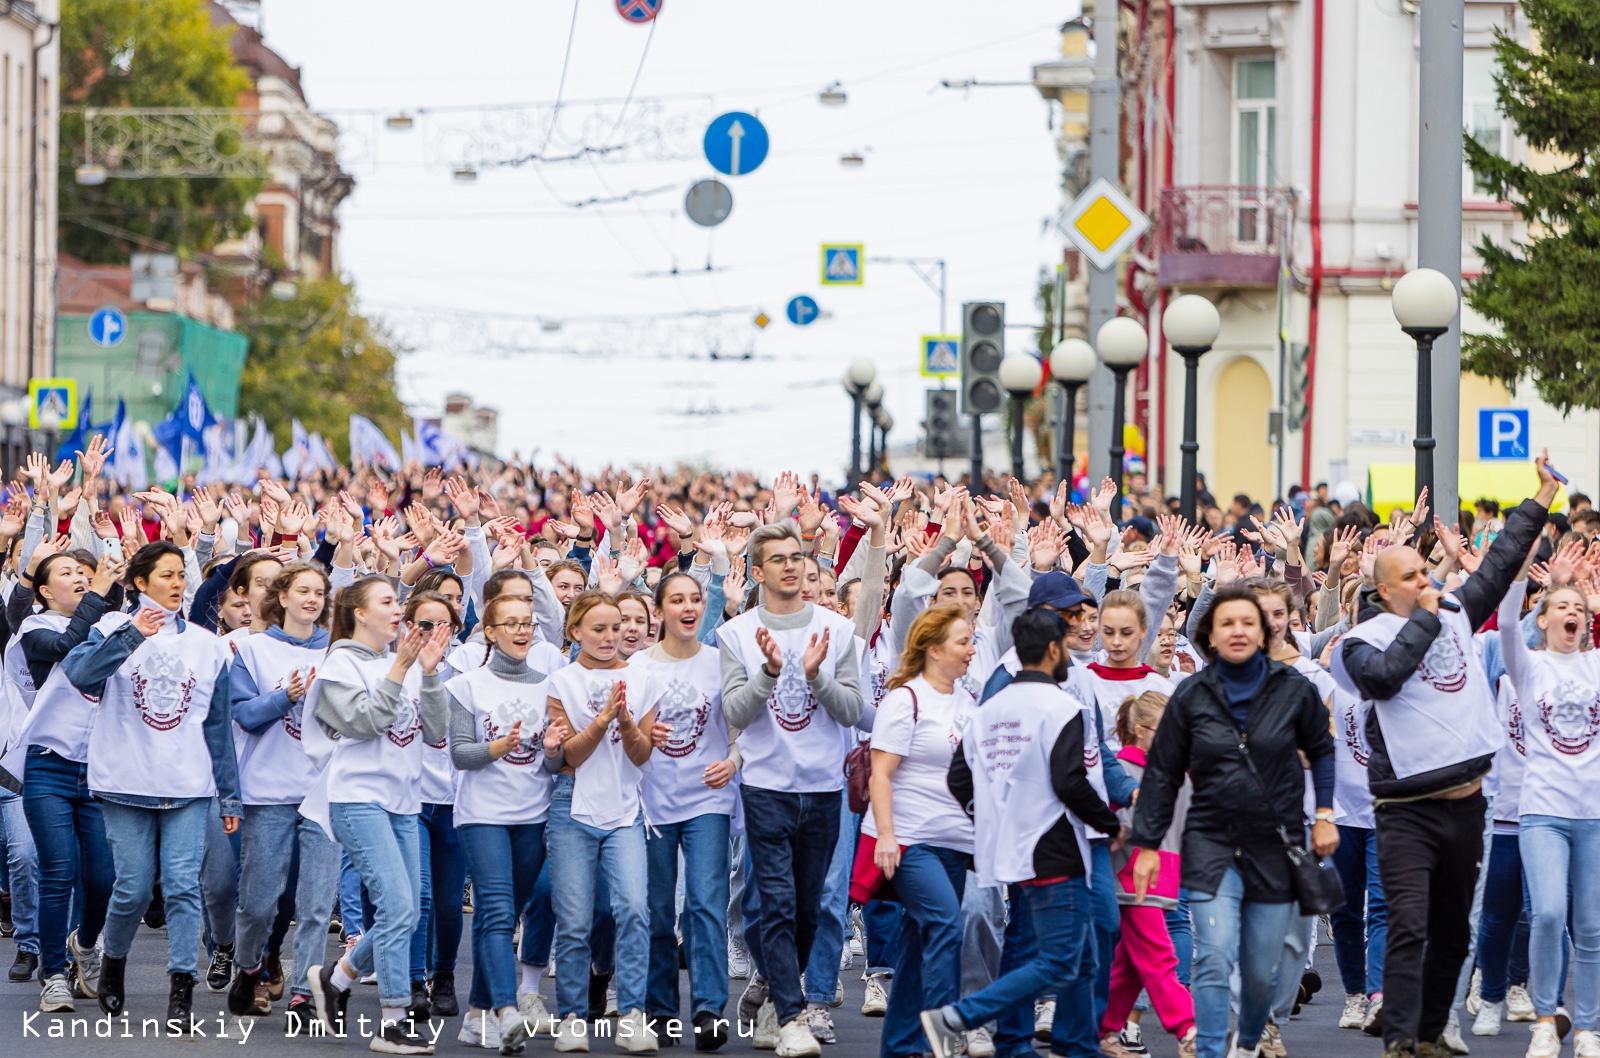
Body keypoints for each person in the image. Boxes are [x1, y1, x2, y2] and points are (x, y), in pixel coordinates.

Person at [1331, 456, 1557, 1058]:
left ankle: (1430, 1031)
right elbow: (1382, 681)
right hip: (1404, 810)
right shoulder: (1360, 641)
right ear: (1384, 590)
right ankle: (1401, 1036)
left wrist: (1541, 497)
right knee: (1408, 924)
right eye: (1410, 576)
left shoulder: (1455, 611)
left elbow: (1505, 559)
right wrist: (1426, 622)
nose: (1425, 580)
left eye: (1425, 570)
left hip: (1467, 804)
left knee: (1455, 931)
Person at [1129, 584, 1336, 1058]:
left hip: (1275, 843)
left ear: (1263, 632)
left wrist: (1323, 814)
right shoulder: (1190, 694)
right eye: (1227, 623)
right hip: (1212, 843)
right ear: (1210, 635)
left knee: (1262, 969)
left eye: (1248, 622)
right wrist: (1147, 846)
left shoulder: (1293, 689)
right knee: (1214, 955)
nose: (1238, 631)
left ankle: (1249, 1041)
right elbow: (1161, 773)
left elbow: (1322, 751)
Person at [921, 607, 1121, 1058]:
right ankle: (958, 1016)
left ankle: (1074, 1044)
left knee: (1077, 953)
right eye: (1066, 644)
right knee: (1060, 958)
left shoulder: (989, 709)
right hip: (1055, 848)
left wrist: (991, 815)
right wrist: (1111, 824)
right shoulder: (1062, 706)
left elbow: (958, 779)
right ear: (1053, 650)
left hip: (1011, 849)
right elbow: (1069, 781)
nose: (1070, 651)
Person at [62, 541, 240, 1025]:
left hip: (187, 785)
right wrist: (131, 635)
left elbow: (217, 725)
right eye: (166, 575)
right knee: (134, 890)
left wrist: (230, 794)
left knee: (183, 887)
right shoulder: (109, 627)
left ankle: (180, 988)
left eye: (181, 574)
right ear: (140, 584)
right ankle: (113, 961)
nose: (178, 583)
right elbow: (79, 675)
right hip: (124, 782)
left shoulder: (208, 645)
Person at [719, 521, 862, 1057]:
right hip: (765, 786)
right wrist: (769, 673)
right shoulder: (736, 634)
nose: (791, 565)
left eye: (797, 556)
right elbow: (734, 710)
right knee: (775, 903)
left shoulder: (837, 630)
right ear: (758, 572)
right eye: (778, 559)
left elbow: (852, 709)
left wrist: (817, 675)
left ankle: (779, 1004)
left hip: (825, 786)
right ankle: (794, 1015)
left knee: (810, 909)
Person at [301, 575, 452, 1056]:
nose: (398, 609)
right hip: (357, 798)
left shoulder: (398, 661)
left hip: (404, 802)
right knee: (398, 909)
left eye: (398, 601)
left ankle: (337, 977)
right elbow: (366, 722)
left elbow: (436, 732)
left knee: (406, 913)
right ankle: (392, 1020)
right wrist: (401, 669)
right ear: (359, 612)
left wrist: (426, 673)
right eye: (387, 602)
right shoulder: (339, 664)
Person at [448, 592, 568, 1054]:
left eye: (527, 623)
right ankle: (505, 1010)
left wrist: (554, 749)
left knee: (499, 920)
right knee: (496, 913)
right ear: (490, 631)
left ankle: (476, 1016)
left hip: (533, 817)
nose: (522, 631)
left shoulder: (552, 684)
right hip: (482, 816)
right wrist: (498, 746)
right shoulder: (468, 684)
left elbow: (553, 766)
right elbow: (461, 754)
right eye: (510, 624)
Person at [544, 590, 661, 1053]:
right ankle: (572, 1016)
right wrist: (603, 719)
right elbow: (567, 756)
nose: (611, 636)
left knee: (633, 908)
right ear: (575, 633)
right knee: (573, 920)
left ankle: (632, 1013)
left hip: (625, 808)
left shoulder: (645, 679)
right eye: (599, 629)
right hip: (572, 808)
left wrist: (628, 722)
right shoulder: (561, 681)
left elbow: (641, 754)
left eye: (616, 628)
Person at [1495, 546, 1600, 1058]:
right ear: (1544, 619)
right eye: (1561, 607)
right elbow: (1508, 624)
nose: (1571, 614)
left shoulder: (1597, 664)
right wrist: (1529, 579)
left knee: (1592, 925)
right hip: (1542, 814)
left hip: (1594, 816)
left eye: (1578, 608)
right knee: (1548, 914)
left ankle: (1587, 1029)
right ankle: (1543, 1018)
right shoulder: (1529, 665)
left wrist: (1593, 600)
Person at [859, 604, 976, 1058]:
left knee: (914, 946)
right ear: (933, 648)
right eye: (962, 642)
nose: (970, 650)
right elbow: (880, 775)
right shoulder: (904, 699)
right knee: (947, 924)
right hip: (908, 842)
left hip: (956, 843)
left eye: (971, 641)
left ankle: (898, 1045)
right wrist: (886, 836)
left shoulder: (967, 701)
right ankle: (945, 1035)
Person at [629, 571, 738, 1051]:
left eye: (696, 599)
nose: (689, 607)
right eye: (677, 600)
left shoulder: (720, 662)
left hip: (707, 797)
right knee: (655, 909)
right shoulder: (637, 666)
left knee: (704, 903)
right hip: (652, 801)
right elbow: (621, 738)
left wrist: (733, 762)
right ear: (660, 612)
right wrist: (639, 737)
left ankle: (710, 1008)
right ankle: (660, 1010)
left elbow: (742, 728)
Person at [10, 547, 122, 1011]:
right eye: (67, 573)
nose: (80, 577)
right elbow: (67, 649)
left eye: (84, 571)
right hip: (49, 765)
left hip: (100, 769)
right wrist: (98, 594)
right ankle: (53, 974)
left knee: (103, 878)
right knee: (58, 872)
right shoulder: (35, 629)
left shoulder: (109, 623)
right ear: (43, 590)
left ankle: (86, 943)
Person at [224, 562, 334, 1023]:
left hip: (325, 792)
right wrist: (284, 697)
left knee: (316, 902)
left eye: (320, 593)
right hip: (267, 792)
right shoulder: (251, 650)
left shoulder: (338, 653)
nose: (312, 599)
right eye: (303, 591)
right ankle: (249, 967)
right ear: (282, 598)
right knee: (259, 901)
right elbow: (244, 715)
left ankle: (306, 994)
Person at [1101, 691, 1196, 1058]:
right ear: (1140, 731)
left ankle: (1101, 1029)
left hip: (1163, 874)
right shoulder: (1122, 771)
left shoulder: (1179, 773)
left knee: (1130, 965)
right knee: (1158, 956)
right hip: (1131, 875)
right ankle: (1187, 1029)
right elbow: (1116, 824)